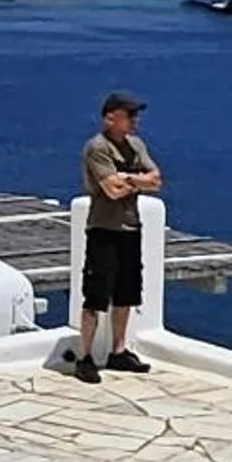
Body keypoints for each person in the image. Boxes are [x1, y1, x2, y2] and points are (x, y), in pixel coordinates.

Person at [71, 91, 162, 383]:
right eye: (129, 116)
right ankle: (84, 357)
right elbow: (111, 190)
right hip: (103, 230)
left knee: (126, 293)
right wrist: (138, 181)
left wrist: (127, 180)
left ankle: (118, 351)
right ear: (110, 118)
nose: (135, 121)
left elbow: (157, 180)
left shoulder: (136, 146)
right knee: (95, 296)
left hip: (130, 228)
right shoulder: (97, 148)